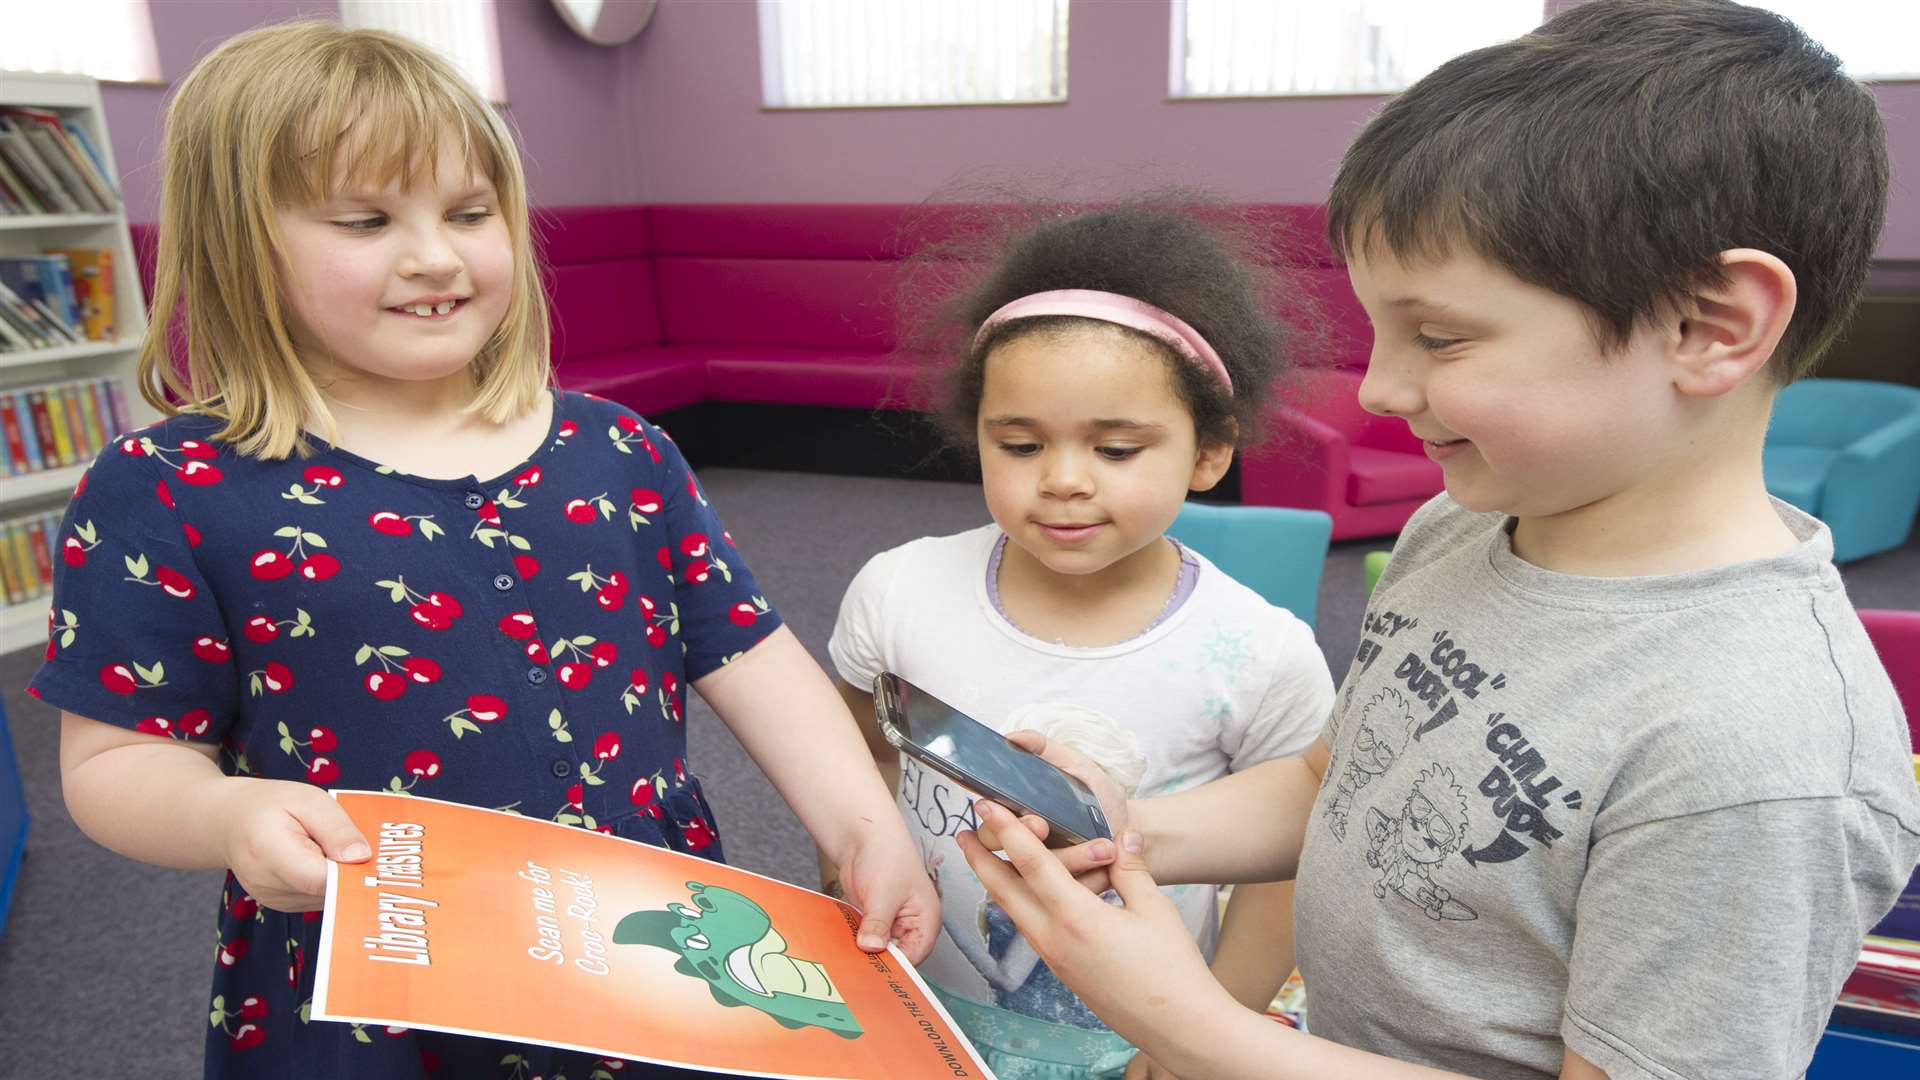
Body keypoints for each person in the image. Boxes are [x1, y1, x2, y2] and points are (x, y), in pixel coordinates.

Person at [958, 3, 1920, 1078]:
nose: (1380, 386)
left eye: (1441, 336)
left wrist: (1187, 1026)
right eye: (1379, 327)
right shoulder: (1466, 523)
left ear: (1710, 325)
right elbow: (1341, 778)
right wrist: (1129, 827)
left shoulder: (1756, 756)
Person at [35, 22, 934, 1079]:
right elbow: (117, 757)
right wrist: (223, 810)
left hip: (647, 952)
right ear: (240, 243)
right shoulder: (167, 488)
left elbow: (750, 653)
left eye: (470, 214)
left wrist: (864, 823)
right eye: (366, 219)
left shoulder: (618, 449)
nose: (436, 256)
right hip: (375, 983)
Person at [823, 204, 1335, 1079]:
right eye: (1019, 443)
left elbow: (1286, 868)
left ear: (1209, 453)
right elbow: (858, 757)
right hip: (915, 1002)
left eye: (1118, 448)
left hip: (1131, 1043)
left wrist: (1200, 1036)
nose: (1062, 480)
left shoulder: (1262, 652)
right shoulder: (897, 592)